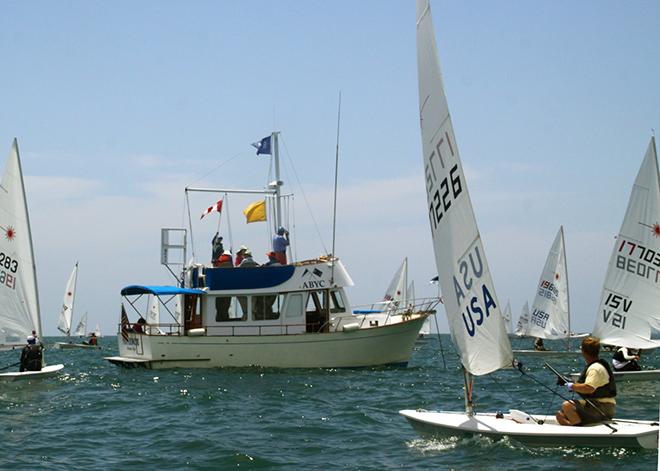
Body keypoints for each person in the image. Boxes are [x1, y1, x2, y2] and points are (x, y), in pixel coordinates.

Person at [555, 336, 616, 426]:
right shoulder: (597, 366)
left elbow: (588, 388)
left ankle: (575, 427)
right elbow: (588, 384)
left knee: (567, 406)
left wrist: (570, 385)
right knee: (563, 413)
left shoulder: (595, 369)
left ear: (583, 352)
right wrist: (568, 381)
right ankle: (575, 423)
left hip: (602, 408)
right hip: (603, 407)